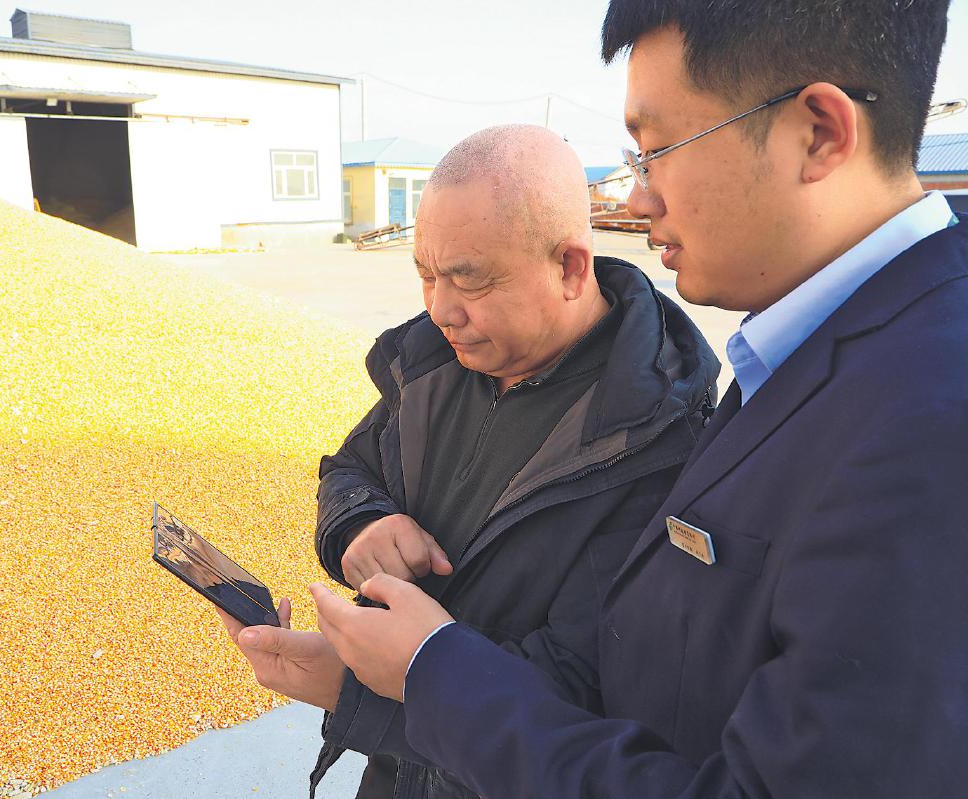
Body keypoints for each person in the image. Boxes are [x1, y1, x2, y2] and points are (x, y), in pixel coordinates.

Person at [297, 1, 968, 796]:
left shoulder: (926, 426)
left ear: (818, 133)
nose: (639, 199)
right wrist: (364, 600)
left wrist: (431, 670)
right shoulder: (816, 354)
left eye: (658, 152)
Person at [224, 123, 719, 799]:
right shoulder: (434, 363)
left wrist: (366, 688)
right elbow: (349, 469)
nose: (440, 309)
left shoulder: (655, 442)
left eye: (468, 279)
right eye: (426, 275)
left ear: (570, 268)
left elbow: (582, 690)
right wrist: (361, 526)